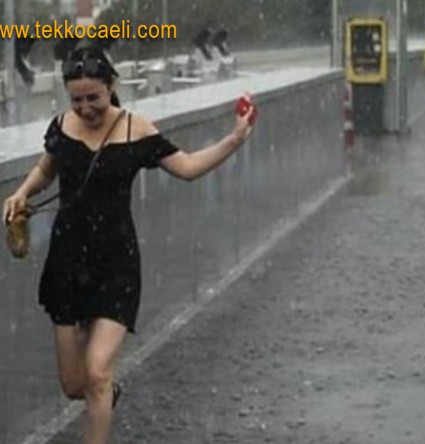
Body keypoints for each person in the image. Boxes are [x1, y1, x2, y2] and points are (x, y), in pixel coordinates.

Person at [2, 43, 255, 444]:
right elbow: (46, 169)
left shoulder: (137, 130)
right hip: (66, 264)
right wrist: (21, 194)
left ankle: (102, 398)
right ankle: (104, 395)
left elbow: (187, 168)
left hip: (116, 263)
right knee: (75, 385)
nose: (86, 109)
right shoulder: (62, 126)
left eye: (95, 99)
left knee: (98, 373)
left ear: (112, 86)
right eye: (77, 100)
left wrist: (234, 139)